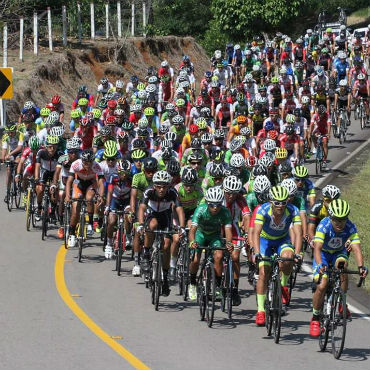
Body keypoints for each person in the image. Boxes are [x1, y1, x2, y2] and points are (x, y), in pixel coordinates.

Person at [309, 199, 368, 337]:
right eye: (336, 219)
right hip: (323, 255)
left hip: (338, 253)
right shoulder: (323, 225)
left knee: (343, 267)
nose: (339, 223)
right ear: (330, 217)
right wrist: (320, 266)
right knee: (322, 285)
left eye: (343, 220)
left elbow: (357, 249)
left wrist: (361, 267)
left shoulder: (350, 227)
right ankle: (315, 319)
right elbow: (317, 249)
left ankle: (342, 301)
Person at [252, 186, 302, 325]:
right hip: (264, 241)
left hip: (282, 239)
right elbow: (256, 233)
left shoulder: (293, 210)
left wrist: (298, 253)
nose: (280, 206)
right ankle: (261, 310)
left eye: (283, 202)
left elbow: (298, 234)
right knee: (263, 272)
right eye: (277, 202)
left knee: (288, 258)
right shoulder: (263, 210)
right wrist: (256, 253)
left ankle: (284, 285)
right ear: (271, 201)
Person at [137, 170, 186, 297]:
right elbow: (142, 208)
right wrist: (141, 224)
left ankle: (164, 278)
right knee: (151, 226)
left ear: (169, 186)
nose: (161, 189)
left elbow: (180, 210)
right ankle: (147, 253)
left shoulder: (173, 193)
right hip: (152, 214)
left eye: (164, 186)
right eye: (158, 186)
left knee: (166, 245)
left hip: (165, 217)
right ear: (154, 186)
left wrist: (181, 227)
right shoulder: (149, 191)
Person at [188, 186, 233, 301]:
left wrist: (229, 243)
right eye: (212, 205)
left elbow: (228, 230)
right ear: (207, 203)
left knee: (219, 256)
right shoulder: (200, 209)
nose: (215, 208)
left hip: (215, 236)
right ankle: (192, 284)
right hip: (200, 234)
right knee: (195, 259)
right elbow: (193, 229)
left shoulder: (225, 212)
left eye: (218, 204)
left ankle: (217, 286)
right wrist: (192, 241)